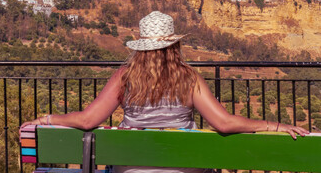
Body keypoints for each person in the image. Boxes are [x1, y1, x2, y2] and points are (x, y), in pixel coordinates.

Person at [21, 11, 309, 173]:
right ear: (174, 45)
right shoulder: (189, 78)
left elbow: (87, 121)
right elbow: (224, 123)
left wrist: (46, 119)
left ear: (142, 45)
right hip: (185, 169)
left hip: (129, 169)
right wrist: (275, 124)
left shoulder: (125, 77)